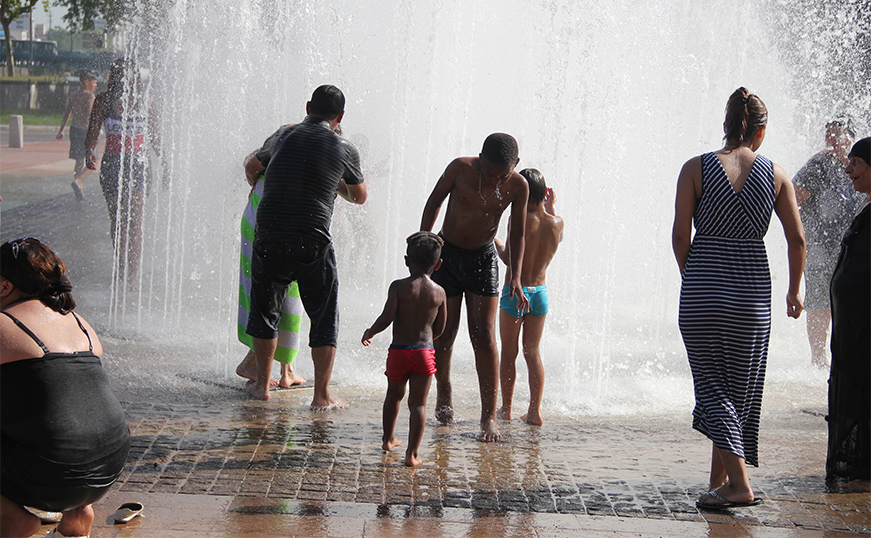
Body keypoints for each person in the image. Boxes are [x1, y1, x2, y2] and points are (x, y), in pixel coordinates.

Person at [672, 87, 806, 509]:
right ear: (761, 132)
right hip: (753, 293)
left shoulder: (696, 168)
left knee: (712, 386)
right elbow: (797, 239)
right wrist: (794, 289)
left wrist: (694, 278)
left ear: (725, 124)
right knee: (738, 389)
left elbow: (680, 236)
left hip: (704, 286)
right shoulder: (776, 174)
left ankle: (738, 484)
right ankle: (723, 481)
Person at [0, 238, 131, 538]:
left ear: (4, 287)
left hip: (49, 471)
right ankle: (77, 513)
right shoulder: (80, 323)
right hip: (107, 468)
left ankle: (12, 518)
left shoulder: (5, 324)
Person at [245, 85, 367, 406]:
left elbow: (251, 167)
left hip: (269, 233)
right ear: (340, 117)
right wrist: (334, 184)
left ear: (308, 106)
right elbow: (359, 196)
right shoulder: (343, 147)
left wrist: (262, 187)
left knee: (265, 310)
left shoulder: (283, 135)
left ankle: (261, 386)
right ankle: (321, 395)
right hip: (311, 238)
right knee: (324, 316)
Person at [420, 133, 530, 442]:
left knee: (484, 335)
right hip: (448, 255)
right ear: (480, 159)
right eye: (488, 173)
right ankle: (444, 392)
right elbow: (434, 201)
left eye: (501, 175)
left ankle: (488, 416)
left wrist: (516, 276)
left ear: (515, 166)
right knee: (444, 332)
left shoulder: (518, 186)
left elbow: (518, 233)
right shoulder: (460, 169)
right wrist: (423, 242)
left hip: (483, 259)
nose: (495, 181)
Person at [362, 232, 447, 466]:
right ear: (438, 264)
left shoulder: (398, 287)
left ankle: (388, 440)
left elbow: (386, 317)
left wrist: (370, 331)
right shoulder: (439, 292)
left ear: (406, 260)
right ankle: (412, 454)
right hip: (424, 352)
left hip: (398, 351)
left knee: (393, 395)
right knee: (418, 403)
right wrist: (427, 341)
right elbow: (440, 328)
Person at [235, 125, 307, 389]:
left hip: (270, 223)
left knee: (279, 293)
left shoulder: (292, 140)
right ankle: (266, 365)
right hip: (269, 225)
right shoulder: (293, 139)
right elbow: (252, 165)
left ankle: (273, 365)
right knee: (275, 292)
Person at [494, 168, 564, 426]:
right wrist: (551, 207)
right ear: (545, 192)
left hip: (516, 293)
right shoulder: (557, 224)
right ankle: (534, 411)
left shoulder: (518, 220)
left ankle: (507, 408)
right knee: (532, 352)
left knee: (509, 353)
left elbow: (509, 259)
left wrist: (497, 242)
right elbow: (552, 238)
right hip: (540, 295)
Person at [793, 120, 861, 368]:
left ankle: (844, 359)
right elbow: (792, 197)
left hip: (852, 250)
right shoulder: (819, 164)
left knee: (848, 302)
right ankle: (819, 361)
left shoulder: (858, 163)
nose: (831, 140)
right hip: (821, 249)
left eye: (837, 134)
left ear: (850, 137)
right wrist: (800, 232)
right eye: (828, 134)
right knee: (820, 302)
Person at [85, 59, 158, 288]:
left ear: (136, 77)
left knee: (135, 220)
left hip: (139, 163)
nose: (124, 78)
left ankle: (133, 276)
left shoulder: (147, 103)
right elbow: (93, 132)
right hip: (113, 164)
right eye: (119, 74)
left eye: (129, 74)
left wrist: (164, 162)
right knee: (118, 220)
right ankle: (121, 268)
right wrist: (89, 151)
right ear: (113, 77)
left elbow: (155, 137)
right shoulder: (104, 101)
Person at [826, 136, 870, 493]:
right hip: (854, 331)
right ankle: (860, 469)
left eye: (856, 163)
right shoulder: (867, 208)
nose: (848, 169)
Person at [56, 71, 97, 201]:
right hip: (86, 131)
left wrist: (61, 130)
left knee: (79, 160)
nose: (96, 85)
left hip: (74, 130)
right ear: (86, 82)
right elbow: (89, 115)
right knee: (93, 161)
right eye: (94, 82)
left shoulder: (73, 96)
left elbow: (67, 114)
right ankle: (78, 181)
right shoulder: (90, 97)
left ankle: (80, 190)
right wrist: (94, 133)